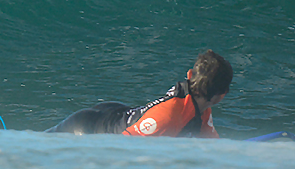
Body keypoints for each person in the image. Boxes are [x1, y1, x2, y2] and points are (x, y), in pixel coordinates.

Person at [47, 50, 232, 137]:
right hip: (88, 130)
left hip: (116, 114)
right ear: (222, 95)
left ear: (190, 75)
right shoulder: (167, 118)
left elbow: (212, 148)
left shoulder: (201, 107)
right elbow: (119, 152)